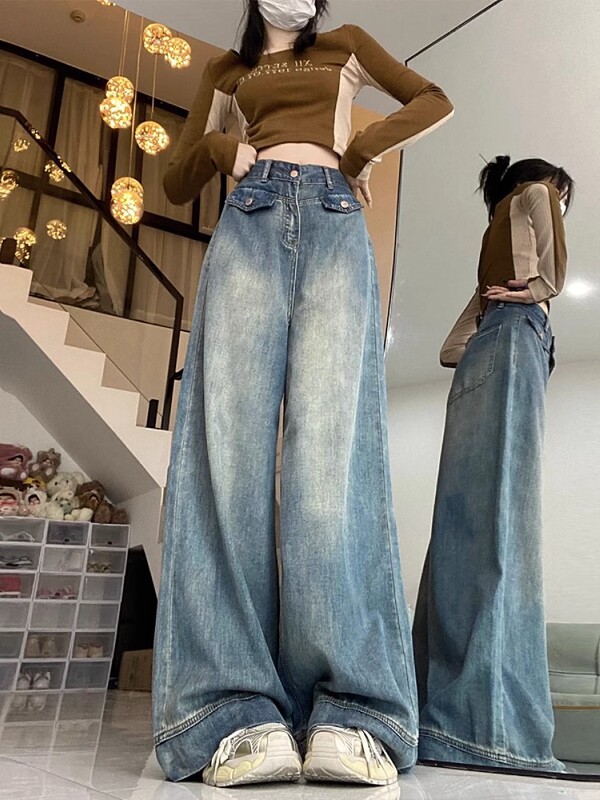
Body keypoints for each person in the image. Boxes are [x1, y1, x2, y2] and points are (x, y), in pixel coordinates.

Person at [153, 0, 453, 786]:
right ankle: (229, 710)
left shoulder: (345, 44)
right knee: (229, 457)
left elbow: (432, 99)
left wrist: (360, 151)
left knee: (331, 460)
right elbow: (175, 180)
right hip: (248, 219)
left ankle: (351, 710)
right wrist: (220, 145)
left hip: (334, 218)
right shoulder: (228, 71)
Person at [412, 155, 574, 773]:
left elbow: (450, 350)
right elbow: (551, 258)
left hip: (484, 352)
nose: (561, 207)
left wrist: (494, 318)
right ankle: (491, 732)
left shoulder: (493, 255)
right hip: (514, 341)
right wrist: (540, 291)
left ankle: (436, 716)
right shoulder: (536, 191)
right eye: (564, 197)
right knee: (505, 522)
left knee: (461, 529)